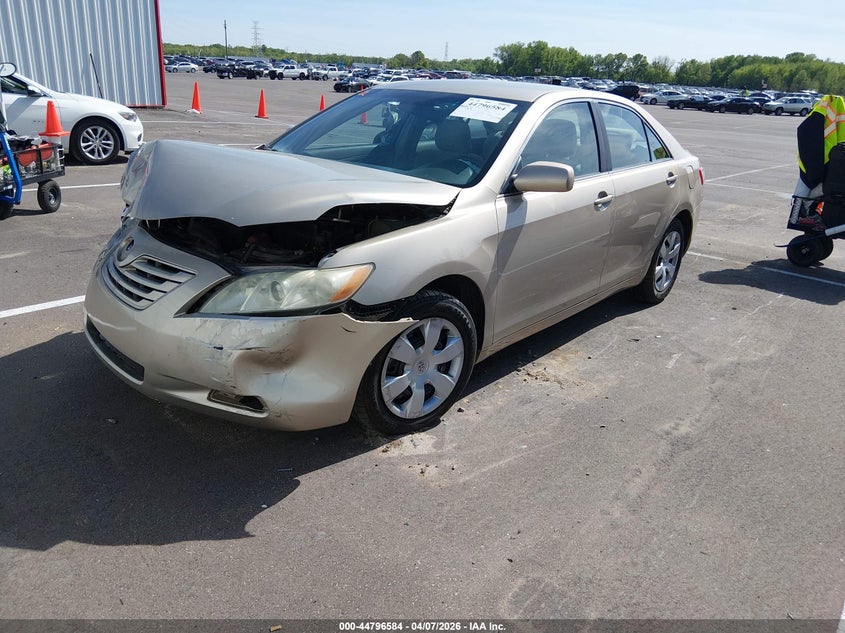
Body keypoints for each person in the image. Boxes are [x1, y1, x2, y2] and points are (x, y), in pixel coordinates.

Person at [794, 94, 845, 198]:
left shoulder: (820, 115)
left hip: (818, 169)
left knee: (803, 202)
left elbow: (804, 133)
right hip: (832, 170)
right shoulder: (838, 117)